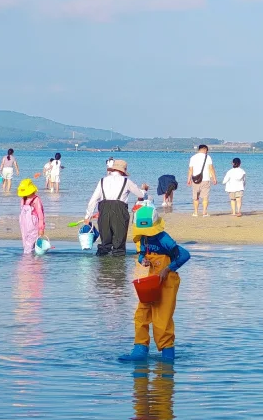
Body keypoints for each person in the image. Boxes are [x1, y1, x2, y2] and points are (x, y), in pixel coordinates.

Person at [123, 205, 190, 364]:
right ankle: (140, 349)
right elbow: (141, 254)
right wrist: (143, 260)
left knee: (162, 319)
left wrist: (168, 269)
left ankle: (167, 355)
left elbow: (184, 255)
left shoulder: (163, 239)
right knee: (142, 314)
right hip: (151, 281)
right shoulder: (143, 238)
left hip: (167, 283)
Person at [85, 158, 143, 256]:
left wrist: (88, 216)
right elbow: (140, 194)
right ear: (123, 171)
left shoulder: (102, 180)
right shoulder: (126, 181)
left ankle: (102, 263)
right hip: (120, 211)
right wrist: (143, 192)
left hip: (104, 210)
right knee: (119, 243)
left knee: (105, 242)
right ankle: (118, 264)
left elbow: (93, 199)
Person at [17, 178, 46, 255]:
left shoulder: (36, 200)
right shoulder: (23, 199)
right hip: (24, 224)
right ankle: (30, 258)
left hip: (33, 224)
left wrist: (41, 228)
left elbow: (41, 215)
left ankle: (27, 257)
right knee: (25, 242)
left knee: (31, 242)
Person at [188, 144, 217, 216]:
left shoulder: (193, 158)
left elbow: (190, 170)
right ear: (204, 149)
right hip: (206, 179)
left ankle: (195, 212)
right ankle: (204, 212)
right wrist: (214, 178)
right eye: (207, 150)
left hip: (195, 180)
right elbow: (211, 168)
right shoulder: (208, 157)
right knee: (205, 197)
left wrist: (189, 179)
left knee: (195, 197)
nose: (207, 152)